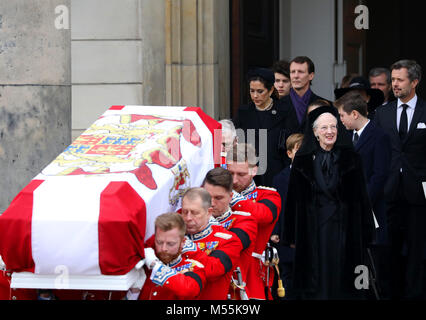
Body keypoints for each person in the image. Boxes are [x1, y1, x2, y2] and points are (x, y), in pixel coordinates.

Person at [283, 105, 375, 300]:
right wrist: (290, 235)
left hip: (345, 228)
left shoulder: (352, 158)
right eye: (324, 128)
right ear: (315, 132)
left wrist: (367, 232)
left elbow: (362, 197)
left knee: (346, 279)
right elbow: (293, 199)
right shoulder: (302, 160)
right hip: (312, 228)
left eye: (333, 127)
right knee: (316, 278)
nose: (330, 131)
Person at [374, 59, 426, 299]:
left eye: (399, 80)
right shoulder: (381, 114)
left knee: (418, 249)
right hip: (389, 191)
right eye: (392, 80)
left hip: (419, 193)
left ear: (414, 82)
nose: (394, 84)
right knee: (388, 248)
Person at [335, 90, 392, 298]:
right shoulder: (347, 137)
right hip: (348, 208)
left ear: (355, 114)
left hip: (371, 209)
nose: (340, 120)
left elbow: (380, 174)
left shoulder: (379, 136)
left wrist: (361, 200)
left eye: (342, 115)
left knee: (373, 260)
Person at [226, 143, 282, 300]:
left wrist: (229, 196)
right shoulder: (217, 195)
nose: (234, 180)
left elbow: (263, 215)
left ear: (254, 170)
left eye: (241, 174)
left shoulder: (268, 195)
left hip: (251, 275)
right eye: (230, 173)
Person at [233, 67, 299, 187]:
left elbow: (292, 140)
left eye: (260, 91)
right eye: (252, 91)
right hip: (250, 173)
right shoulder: (243, 112)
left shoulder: (285, 111)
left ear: (270, 90)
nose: (255, 96)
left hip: (276, 170)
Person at [202, 167, 257, 299]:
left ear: (231, 196)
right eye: (207, 197)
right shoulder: (189, 218)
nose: (212, 203)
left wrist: (205, 219)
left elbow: (231, 244)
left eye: (218, 198)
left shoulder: (245, 221)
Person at [180, 187, 242, 300]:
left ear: (209, 212)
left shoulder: (229, 241)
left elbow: (213, 270)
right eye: (184, 212)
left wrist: (189, 248)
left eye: (194, 213)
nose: (188, 218)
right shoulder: (173, 235)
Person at [136, 212, 206, 300]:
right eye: (159, 242)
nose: (163, 248)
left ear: (183, 242)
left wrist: (156, 266)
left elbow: (189, 290)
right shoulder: (144, 264)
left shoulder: (194, 267)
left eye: (170, 244)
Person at [270, 133, 304, 300]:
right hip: (286, 233)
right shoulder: (280, 178)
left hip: (306, 234)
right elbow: (277, 207)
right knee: (287, 275)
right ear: (289, 153)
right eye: (298, 150)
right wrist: (275, 230)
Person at [284, 56, 328, 130]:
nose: (296, 76)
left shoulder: (325, 106)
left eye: (300, 72)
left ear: (311, 76)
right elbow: (264, 131)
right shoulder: (276, 105)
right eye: (292, 72)